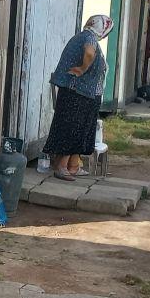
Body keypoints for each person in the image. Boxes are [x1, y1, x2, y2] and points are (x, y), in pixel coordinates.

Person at [43, 15, 113, 181]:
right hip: (77, 92)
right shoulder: (88, 37)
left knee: (82, 129)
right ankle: (61, 166)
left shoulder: (87, 36)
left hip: (87, 93)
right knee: (72, 127)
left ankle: (73, 165)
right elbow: (89, 53)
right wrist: (82, 69)